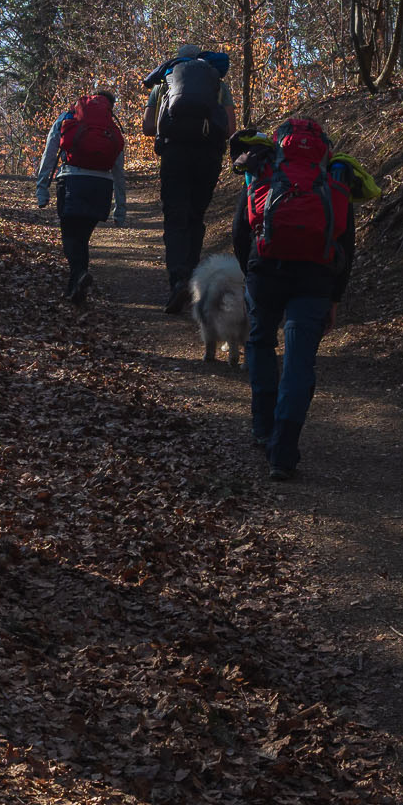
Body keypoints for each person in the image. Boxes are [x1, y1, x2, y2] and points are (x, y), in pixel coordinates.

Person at [230, 119, 380, 480]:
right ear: (322, 147)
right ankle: (282, 453)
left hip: (265, 274)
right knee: (299, 364)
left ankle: (262, 427)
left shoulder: (263, 166)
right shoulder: (334, 177)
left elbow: (240, 230)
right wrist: (335, 298)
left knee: (260, 342)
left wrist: (250, 273)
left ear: (282, 143)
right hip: (315, 280)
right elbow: (346, 245)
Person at [142, 44, 236, 314]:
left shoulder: (165, 82)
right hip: (208, 157)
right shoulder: (217, 83)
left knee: (175, 216)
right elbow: (230, 129)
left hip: (174, 153)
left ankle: (178, 280)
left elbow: (148, 127)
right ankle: (194, 281)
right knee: (196, 216)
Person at [34, 91, 128, 303]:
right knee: (82, 237)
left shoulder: (67, 117)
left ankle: (78, 275)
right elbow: (119, 172)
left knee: (70, 235)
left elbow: (50, 152)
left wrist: (42, 189)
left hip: (72, 181)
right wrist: (120, 208)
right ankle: (75, 288)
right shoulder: (111, 128)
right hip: (101, 186)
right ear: (110, 106)